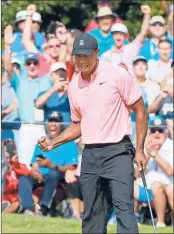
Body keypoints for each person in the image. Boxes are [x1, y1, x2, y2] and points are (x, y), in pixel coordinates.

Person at [38, 33, 148, 234]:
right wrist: (54, 142)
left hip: (118, 152)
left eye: (86, 55)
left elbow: (140, 110)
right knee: (92, 214)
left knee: (123, 208)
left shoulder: (117, 74)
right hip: (90, 155)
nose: (82, 61)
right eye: (78, 56)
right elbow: (79, 124)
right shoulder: (73, 87)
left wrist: (140, 149)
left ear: (97, 53)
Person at [3, 25, 51, 165]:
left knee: (44, 168)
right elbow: (7, 67)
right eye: (28, 63)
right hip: (25, 126)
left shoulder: (45, 80)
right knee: (24, 166)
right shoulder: (20, 82)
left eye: (34, 63)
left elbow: (55, 64)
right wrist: (7, 46)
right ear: (25, 66)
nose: (31, 66)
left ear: (38, 65)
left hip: (42, 127)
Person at [19, 111, 78, 216]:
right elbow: (35, 163)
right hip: (41, 175)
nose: (53, 124)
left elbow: (73, 165)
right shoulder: (42, 141)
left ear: (62, 125)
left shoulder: (69, 143)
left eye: (57, 122)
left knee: (53, 173)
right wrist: (35, 172)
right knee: (24, 178)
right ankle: (27, 209)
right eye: (51, 121)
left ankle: (44, 208)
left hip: (58, 176)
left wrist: (53, 165)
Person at [101, 5, 151, 71]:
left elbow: (143, 33)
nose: (118, 36)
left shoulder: (131, 49)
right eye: (115, 34)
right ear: (112, 36)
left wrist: (147, 15)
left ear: (125, 37)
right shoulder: (106, 55)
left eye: (121, 34)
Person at [145, 116, 173, 227]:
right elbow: (137, 174)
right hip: (146, 187)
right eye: (153, 130)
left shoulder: (171, 146)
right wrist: (147, 155)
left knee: (168, 188)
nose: (157, 133)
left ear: (166, 133)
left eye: (160, 130)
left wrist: (154, 154)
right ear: (149, 133)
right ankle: (160, 223)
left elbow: (170, 171)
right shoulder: (144, 146)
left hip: (168, 185)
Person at [35, 62, 71, 127]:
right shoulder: (44, 93)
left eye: (62, 73)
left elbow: (80, 107)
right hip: (50, 134)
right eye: (57, 73)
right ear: (51, 77)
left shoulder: (71, 92)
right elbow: (38, 104)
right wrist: (54, 88)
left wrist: (69, 92)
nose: (60, 75)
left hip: (68, 134)